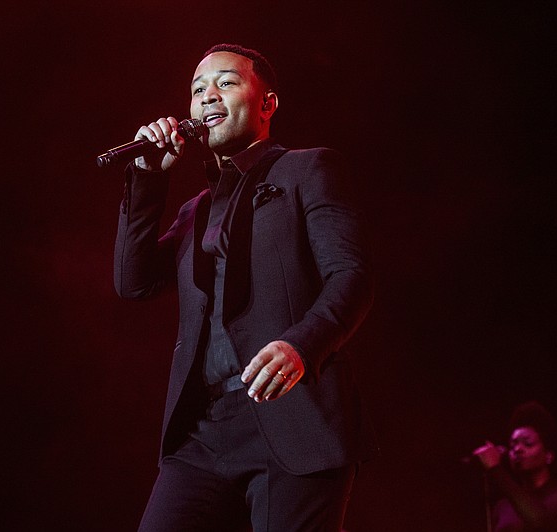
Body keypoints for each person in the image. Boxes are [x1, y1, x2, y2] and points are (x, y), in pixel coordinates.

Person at [114, 43, 377, 532]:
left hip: (292, 415)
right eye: (196, 90)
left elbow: (352, 277)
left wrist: (302, 345)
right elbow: (135, 283)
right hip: (203, 431)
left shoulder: (307, 170)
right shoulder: (196, 208)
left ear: (268, 103)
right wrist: (148, 179)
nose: (207, 96)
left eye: (226, 82)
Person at [473, 401, 557, 531]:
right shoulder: (502, 507)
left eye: (527, 443)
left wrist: (496, 470)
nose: (517, 449)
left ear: (548, 456)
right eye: (513, 445)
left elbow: (540, 522)